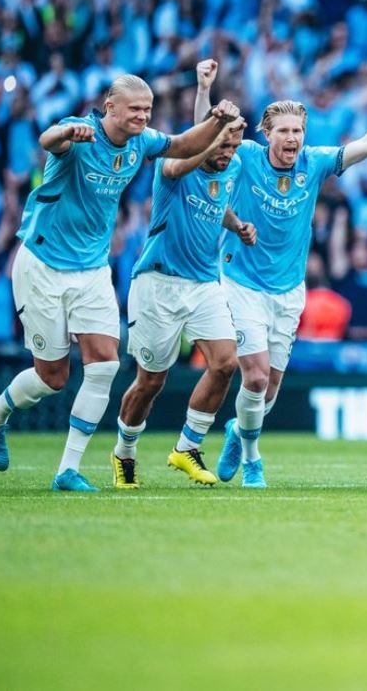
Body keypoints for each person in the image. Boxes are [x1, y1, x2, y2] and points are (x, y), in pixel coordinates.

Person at [0, 74, 243, 492]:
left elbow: (182, 145)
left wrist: (215, 120)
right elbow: (50, 140)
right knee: (53, 378)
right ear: (110, 106)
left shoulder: (143, 141)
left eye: (147, 109)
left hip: (93, 269)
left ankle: (68, 470)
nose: (141, 116)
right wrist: (66, 131)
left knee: (104, 364)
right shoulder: (80, 132)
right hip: (43, 263)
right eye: (134, 108)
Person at [194, 59, 367, 488]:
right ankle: (252, 459)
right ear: (267, 134)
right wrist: (204, 90)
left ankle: (236, 431)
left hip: (289, 289)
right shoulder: (244, 157)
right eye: (284, 131)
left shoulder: (313, 164)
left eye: (298, 131)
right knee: (256, 376)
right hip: (241, 282)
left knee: (272, 387)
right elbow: (203, 140)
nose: (292, 138)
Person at [111, 106, 257, 489]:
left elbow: (218, 199)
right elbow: (175, 168)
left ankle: (187, 447)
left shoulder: (233, 167)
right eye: (224, 144)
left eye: (235, 146)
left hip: (205, 282)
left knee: (226, 363)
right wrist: (208, 127)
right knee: (150, 382)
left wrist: (237, 224)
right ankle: (124, 452)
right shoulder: (176, 164)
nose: (228, 153)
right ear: (208, 138)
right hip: (158, 282)